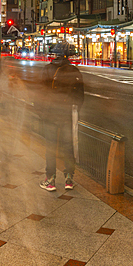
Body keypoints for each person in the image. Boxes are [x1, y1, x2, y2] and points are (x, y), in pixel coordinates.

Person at [39, 44, 84, 192]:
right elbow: (80, 97)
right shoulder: (74, 71)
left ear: (55, 55)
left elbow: (41, 93)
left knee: (51, 146)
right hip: (67, 114)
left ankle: (50, 179)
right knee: (68, 145)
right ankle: (69, 178)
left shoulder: (47, 70)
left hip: (50, 114)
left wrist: (41, 112)